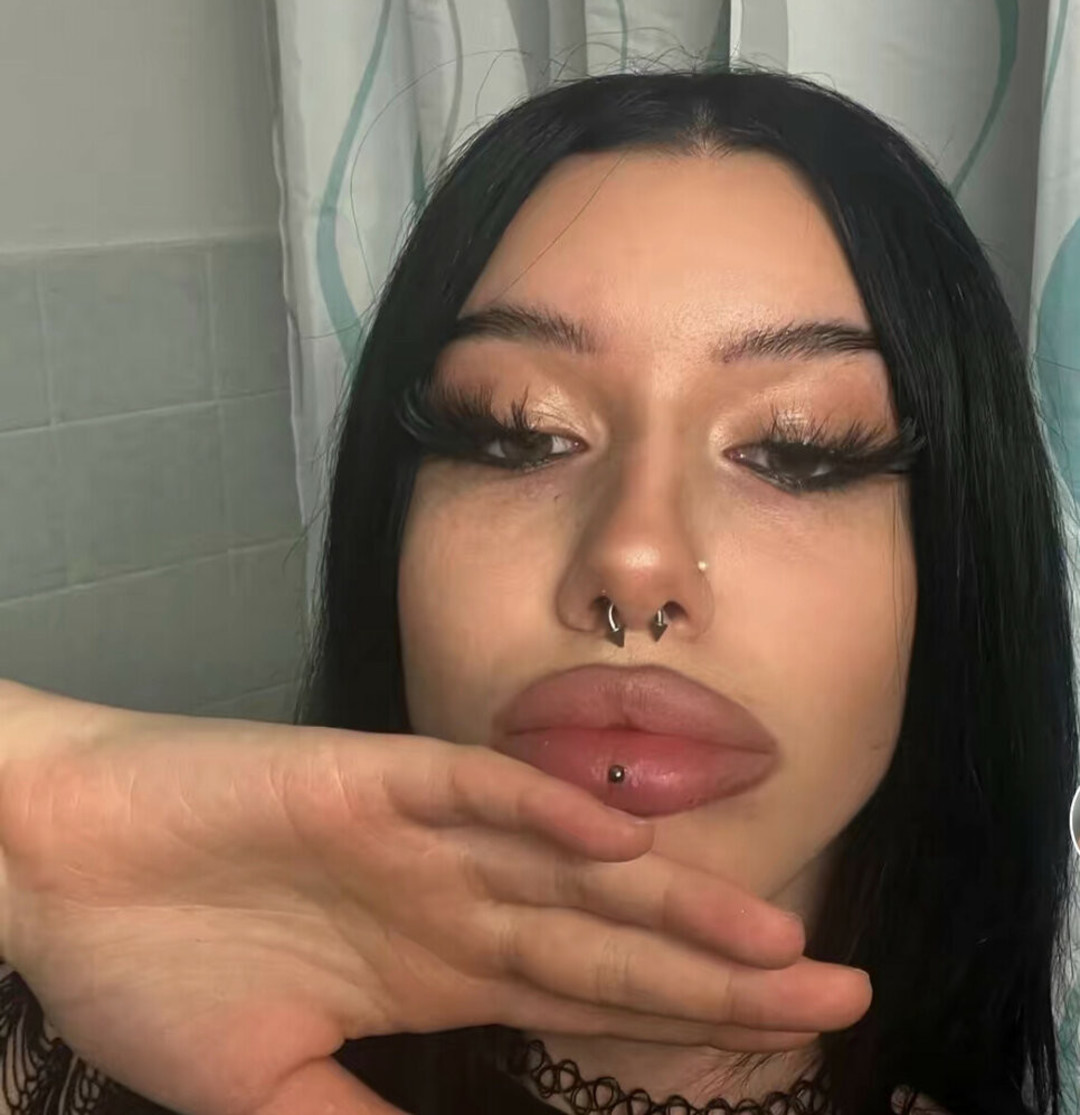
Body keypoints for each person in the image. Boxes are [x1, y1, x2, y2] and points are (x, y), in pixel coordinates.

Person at [0, 64, 1075, 1115]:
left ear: (958, 561)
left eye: (800, 449)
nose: (635, 560)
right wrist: (31, 831)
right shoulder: (92, 1022)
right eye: (514, 433)